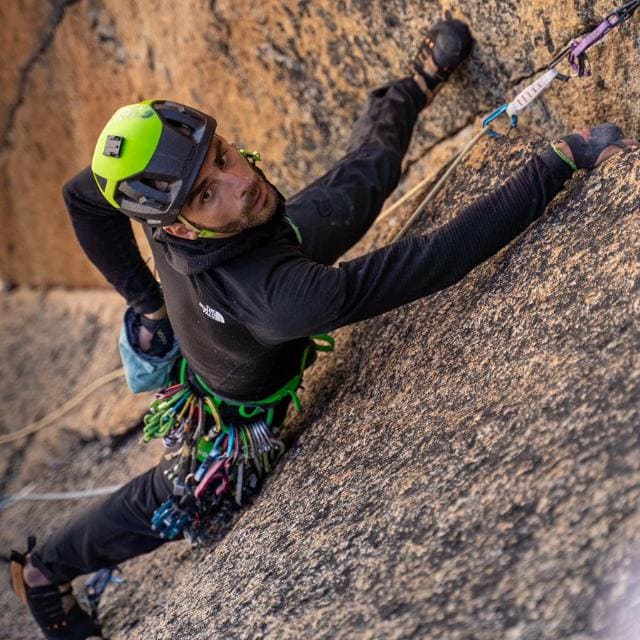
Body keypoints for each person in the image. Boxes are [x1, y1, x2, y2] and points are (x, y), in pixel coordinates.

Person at [8, 17, 638, 640]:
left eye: (223, 155)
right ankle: (42, 572)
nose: (242, 183)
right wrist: (556, 163)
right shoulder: (285, 298)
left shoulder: (160, 187)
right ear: (174, 226)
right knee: (184, 495)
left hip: (227, 289)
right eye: (208, 195)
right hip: (230, 410)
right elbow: (428, 261)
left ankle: (413, 86)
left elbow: (84, 198)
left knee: (365, 181)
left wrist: (147, 303)